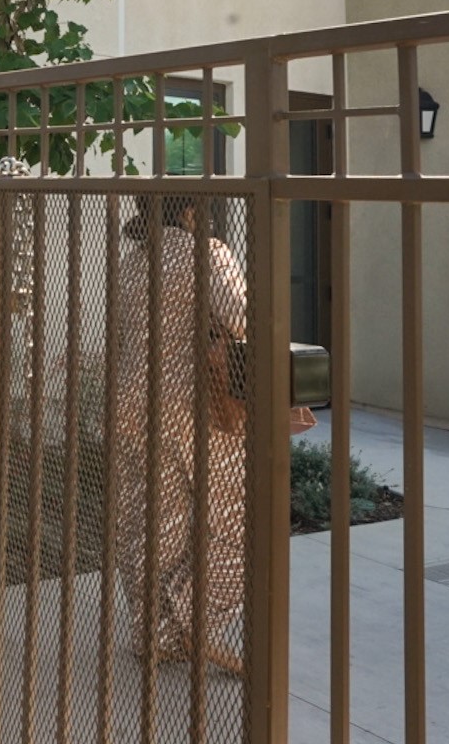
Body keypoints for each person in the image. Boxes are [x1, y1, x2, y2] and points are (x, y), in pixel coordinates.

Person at [111, 194, 309, 675]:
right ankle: (192, 627)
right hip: (191, 408)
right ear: (192, 213)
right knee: (239, 520)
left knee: (155, 522)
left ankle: (152, 635)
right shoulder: (207, 252)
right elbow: (245, 319)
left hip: (132, 403)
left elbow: (121, 331)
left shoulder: (135, 259)